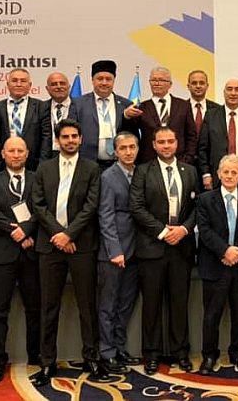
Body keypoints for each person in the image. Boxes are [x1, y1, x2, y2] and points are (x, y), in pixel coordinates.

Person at [30, 119, 109, 386]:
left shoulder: (92, 168)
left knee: (87, 305)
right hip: (50, 245)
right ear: (58, 140)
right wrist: (59, 235)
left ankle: (92, 358)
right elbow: (38, 204)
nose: (71, 140)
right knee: (48, 306)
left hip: (82, 245)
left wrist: (70, 234)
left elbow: (91, 206)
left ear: (81, 139)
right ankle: (47, 362)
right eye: (65, 136)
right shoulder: (44, 168)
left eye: (75, 136)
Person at [129, 126, 199, 375]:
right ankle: (152, 353)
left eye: (170, 141)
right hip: (152, 247)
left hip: (182, 247)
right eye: (162, 142)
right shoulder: (142, 171)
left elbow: (197, 207)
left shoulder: (190, 171)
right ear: (154, 145)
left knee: (180, 303)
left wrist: (184, 230)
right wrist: (162, 232)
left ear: (177, 143)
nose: (166, 145)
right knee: (152, 304)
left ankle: (181, 352)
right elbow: (136, 207)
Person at [0, 136, 41, 383]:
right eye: (11, 151)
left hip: (32, 253)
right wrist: (15, 232)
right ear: (3, 154)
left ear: (27, 154)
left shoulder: (38, 178)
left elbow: (42, 209)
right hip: (1, 254)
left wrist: (26, 230)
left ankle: (36, 355)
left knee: (35, 308)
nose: (16, 155)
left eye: (20, 151)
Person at [196, 154, 238, 375]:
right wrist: (225, 250)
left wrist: (237, 251)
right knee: (211, 315)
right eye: (226, 172)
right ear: (218, 174)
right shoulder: (205, 200)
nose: (230, 176)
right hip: (215, 265)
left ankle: (237, 353)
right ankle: (209, 355)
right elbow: (205, 231)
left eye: (234, 172)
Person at [97, 132, 142, 373]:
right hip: (114, 252)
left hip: (137, 248)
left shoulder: (141, 173)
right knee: (109, 304)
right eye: (123, 148)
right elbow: (105, 216)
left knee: (126, 303)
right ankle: (107, 352)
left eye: (132, 147)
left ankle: (119, 347)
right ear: (115, 152)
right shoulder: (108, 176)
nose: (128, 151)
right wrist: (114, 250)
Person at [68, 60, 138, 170]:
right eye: (100, 79)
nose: (104, 83)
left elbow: (133, 136)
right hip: (87, 165)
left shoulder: (126, 105)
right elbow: (70, 133)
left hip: (119, 165)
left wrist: (127, 118)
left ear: (114, 81)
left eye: (108, 79)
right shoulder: (78, 104)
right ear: (92, 80)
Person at [197, 78, 238, 192]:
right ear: (224, 93)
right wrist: (206, 174)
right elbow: (202, 148)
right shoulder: (211, 115)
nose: (233, 93)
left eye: (237, 90)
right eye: (229, 89)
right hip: (217, 176)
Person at [0, 69, 51, 170]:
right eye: (14, 81)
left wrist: (42, 167)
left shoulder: (41, 107)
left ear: (30, 85)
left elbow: (46, 139)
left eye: (23, 81)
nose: (18, 84)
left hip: (34, 166)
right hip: (3, 166)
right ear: (7, 84)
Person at [42, 72, 72, 153]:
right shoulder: (41, 107)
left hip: (72, 153)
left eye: (62, 83)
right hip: (48, 155)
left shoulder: (80, 107)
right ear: (47, 89)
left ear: (69, 86)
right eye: (54, 84)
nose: (59, 87)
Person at [186, 69, 219, 139]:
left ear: (207, 86)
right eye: (194, 83)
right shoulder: (181, 108)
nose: (198, 86)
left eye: (201, 83)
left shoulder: (217, 109)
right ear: (188, 86)